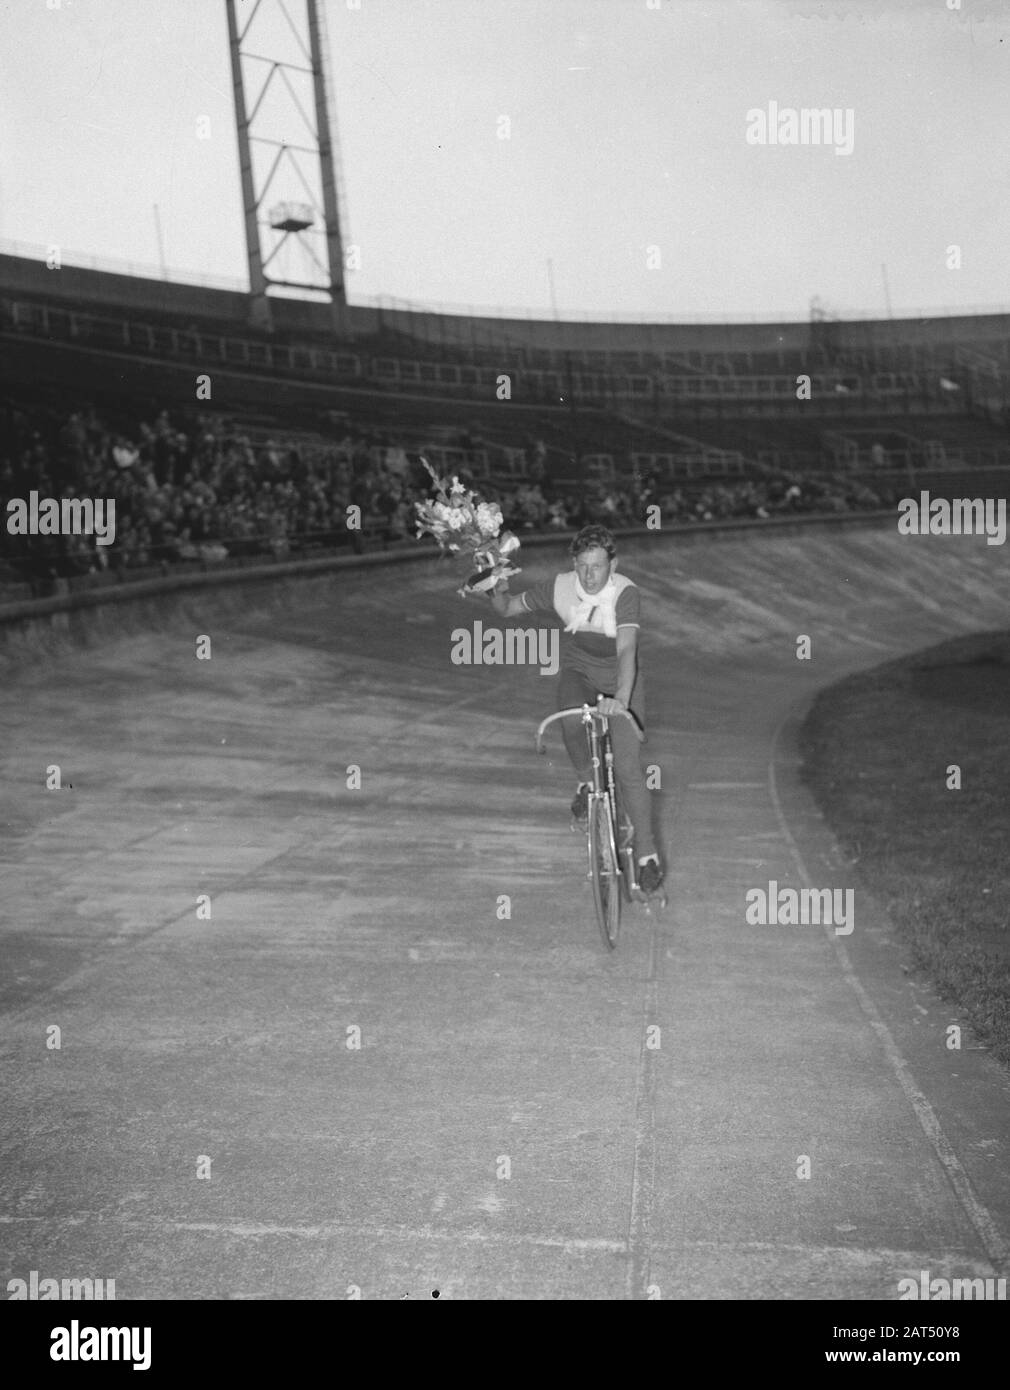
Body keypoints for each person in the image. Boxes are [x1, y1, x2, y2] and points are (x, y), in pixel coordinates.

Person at [486, 523, 663, 894]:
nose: (589, 575)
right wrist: (494, 583)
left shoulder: (625, 592)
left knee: (628, 768)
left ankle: (647, 855)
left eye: (597, 566)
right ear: (573, 564)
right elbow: (507, 608)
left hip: (621, 680)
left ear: (613, 565)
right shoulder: (559, 587)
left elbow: (627, 650)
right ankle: (586, 781)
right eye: (582, 566)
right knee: (570, 721)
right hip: (580, 671)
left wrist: (622, 700)